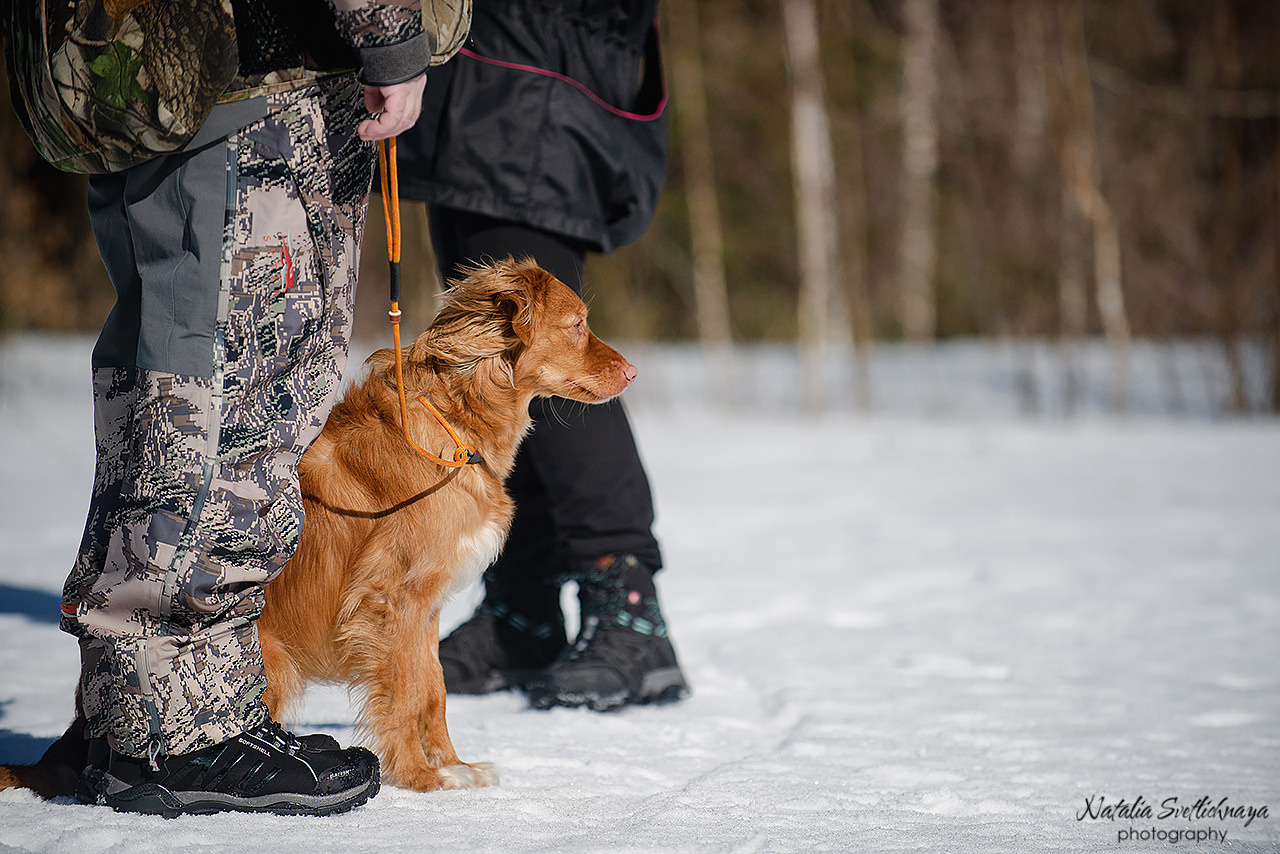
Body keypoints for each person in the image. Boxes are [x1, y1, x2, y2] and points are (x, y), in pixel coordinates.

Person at [4, 0, 438, 817]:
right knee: (230, 391)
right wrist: (391, 34)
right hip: (253, 85)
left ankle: (134, 718)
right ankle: (179, 732)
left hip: (177, 80)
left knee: (177, 381)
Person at [396, 0, 689, 712]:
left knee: (552, 360)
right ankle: (523, 609)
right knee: (497, 363)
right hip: (483, 88)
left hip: (532, 83)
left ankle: (628, 607)